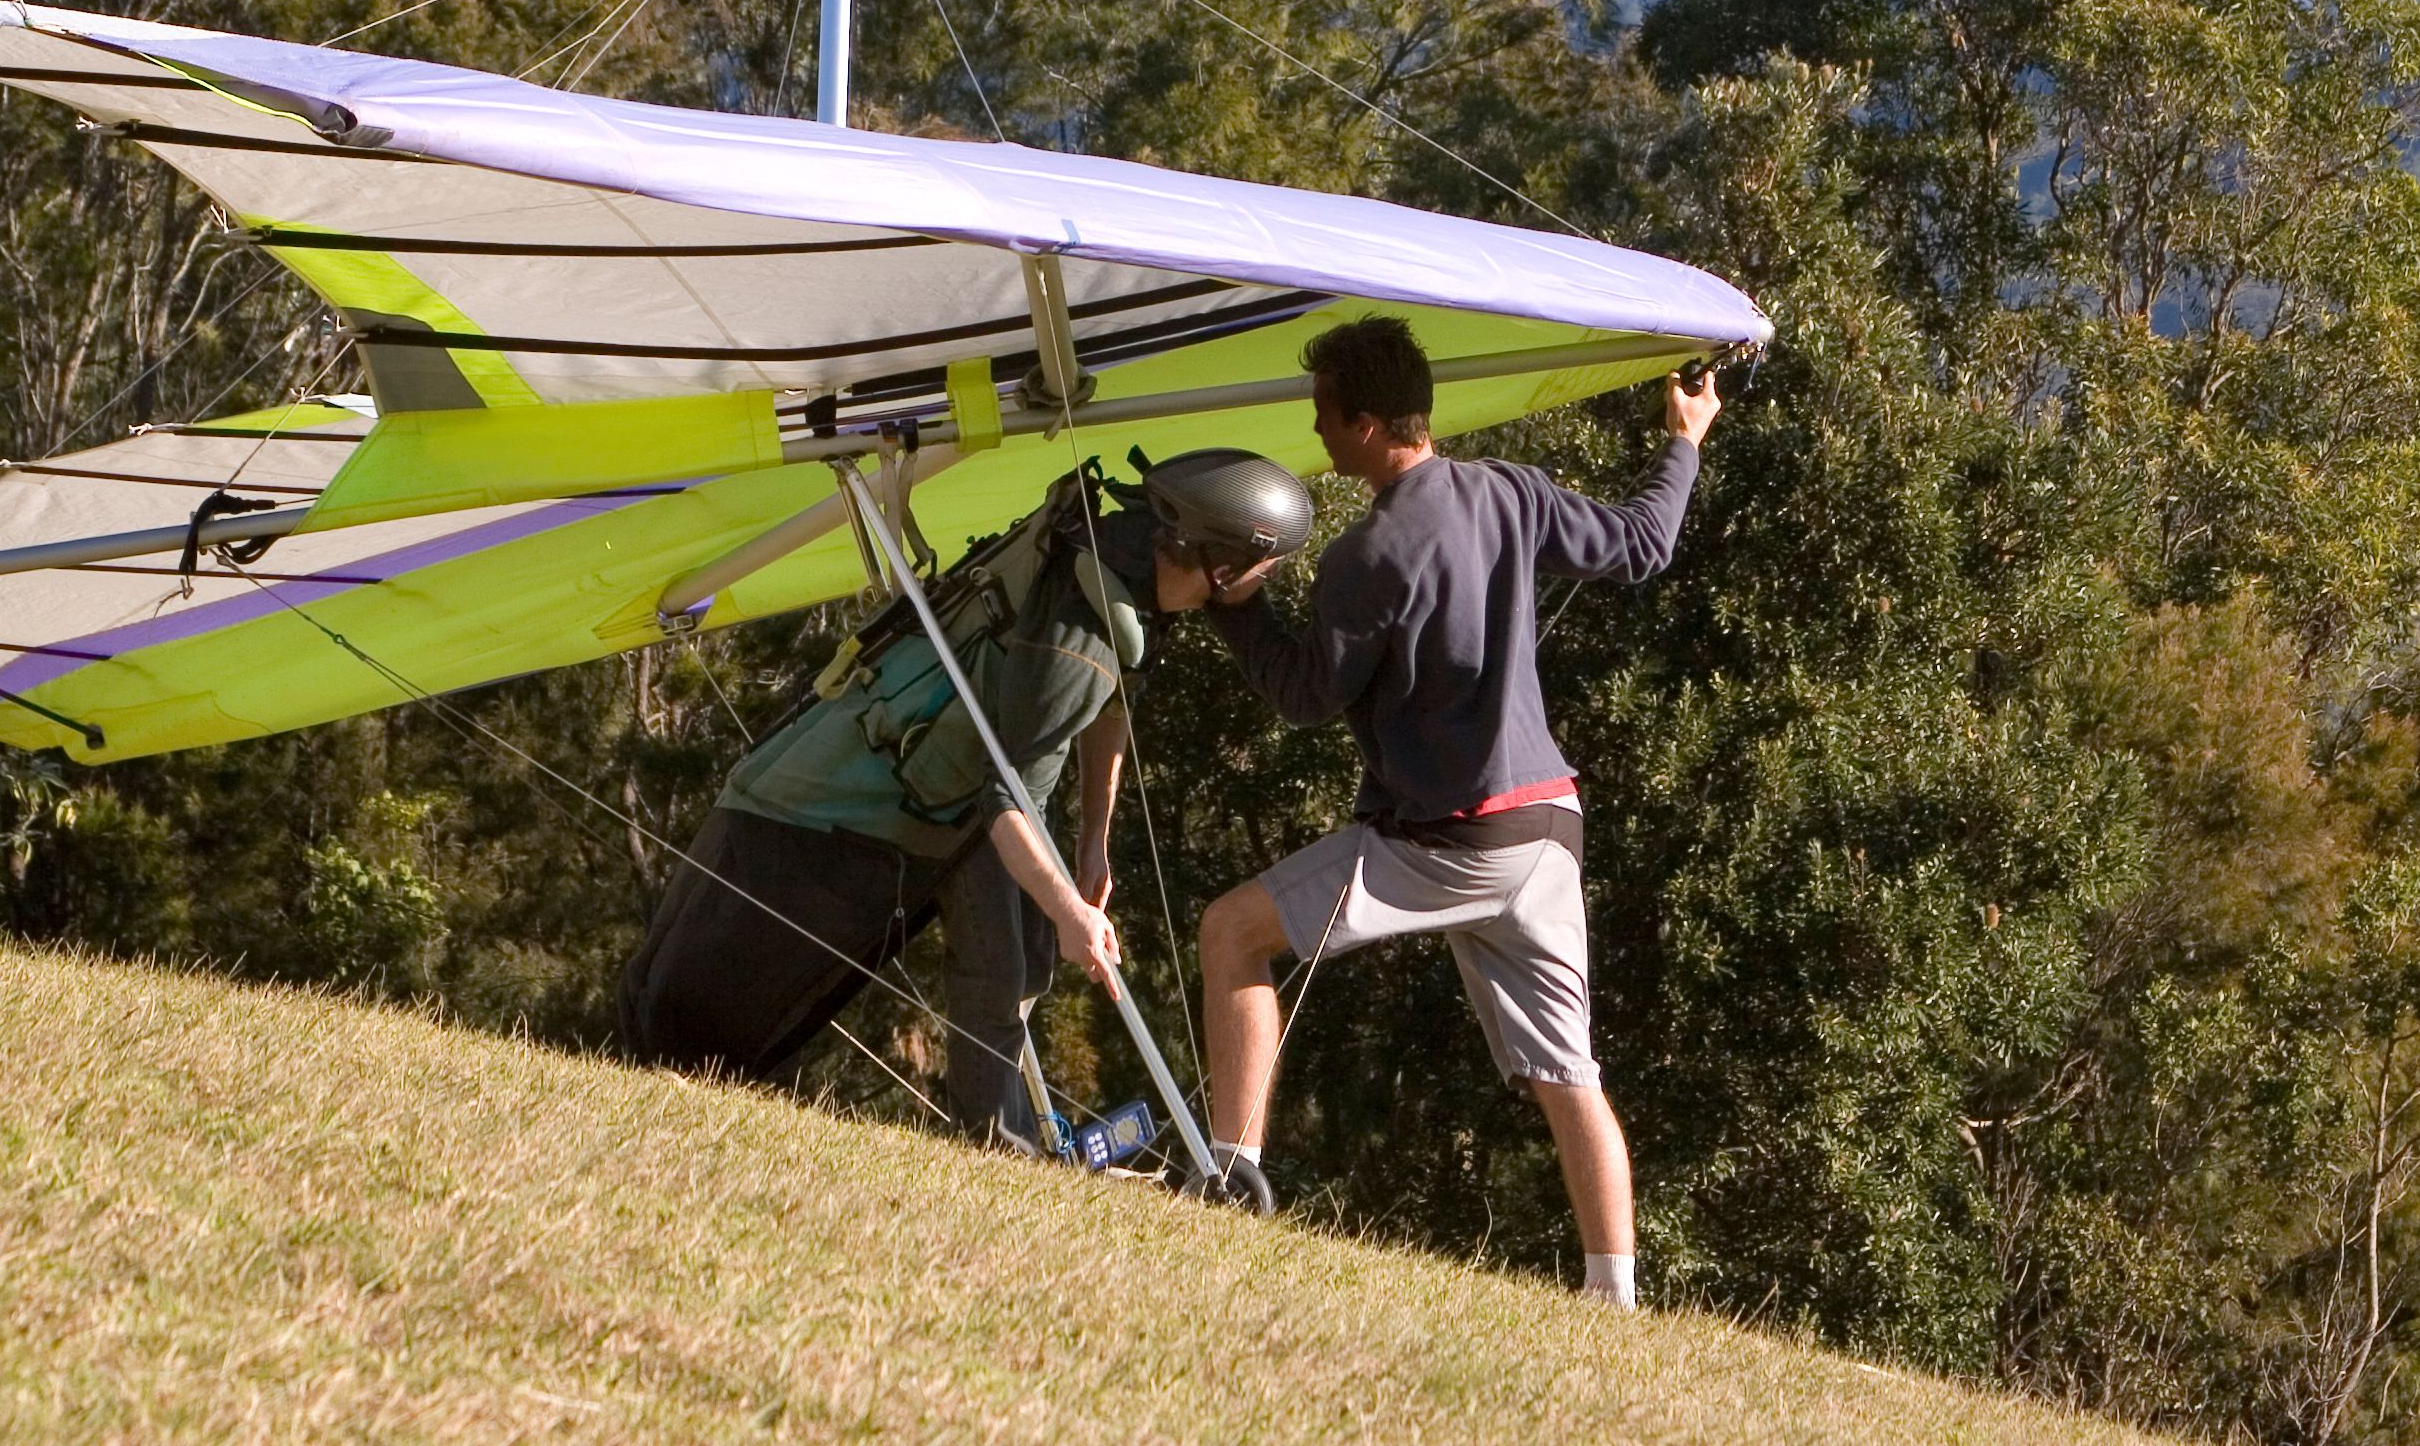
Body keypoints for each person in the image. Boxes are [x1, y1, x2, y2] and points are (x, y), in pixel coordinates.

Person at [1159, 315, 1719, 1306]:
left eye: (1325, 415)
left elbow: (1302, 695)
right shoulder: (1510, 487)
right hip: (1549, 829)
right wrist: (1685, 436)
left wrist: (1230, 604)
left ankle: (1231, 1173)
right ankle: (1615, 1294)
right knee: (1569, 1071)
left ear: (1370, 423)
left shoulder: (1369, 553)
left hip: (1451, 839)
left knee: (1231, 933)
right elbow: (1643, 542)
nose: (1318, 433)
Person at [617, 453, 1306, 1149]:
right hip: (838, 813)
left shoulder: (1126, 560)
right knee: (687, 1029)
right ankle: (995, 1139)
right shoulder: (1075, 643)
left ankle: (997, 1143)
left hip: (956, 801)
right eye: (1260, 570)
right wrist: (1071, 913)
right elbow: (1009, 796)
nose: (1262, 586)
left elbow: (1112, 701)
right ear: (1216, 564)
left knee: (1014, 961)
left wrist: (1094, 834)